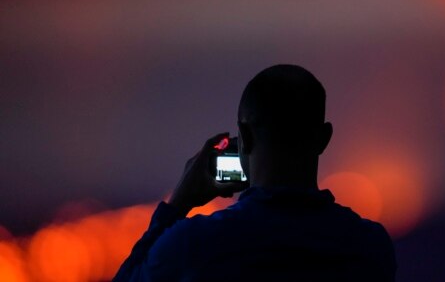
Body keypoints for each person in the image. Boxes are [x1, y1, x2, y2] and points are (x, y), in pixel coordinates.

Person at [114, 64, 396, 282]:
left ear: (244, 138)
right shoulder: (371, 248)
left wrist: (178, 203)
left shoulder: (194, 244)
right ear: (324, 138)